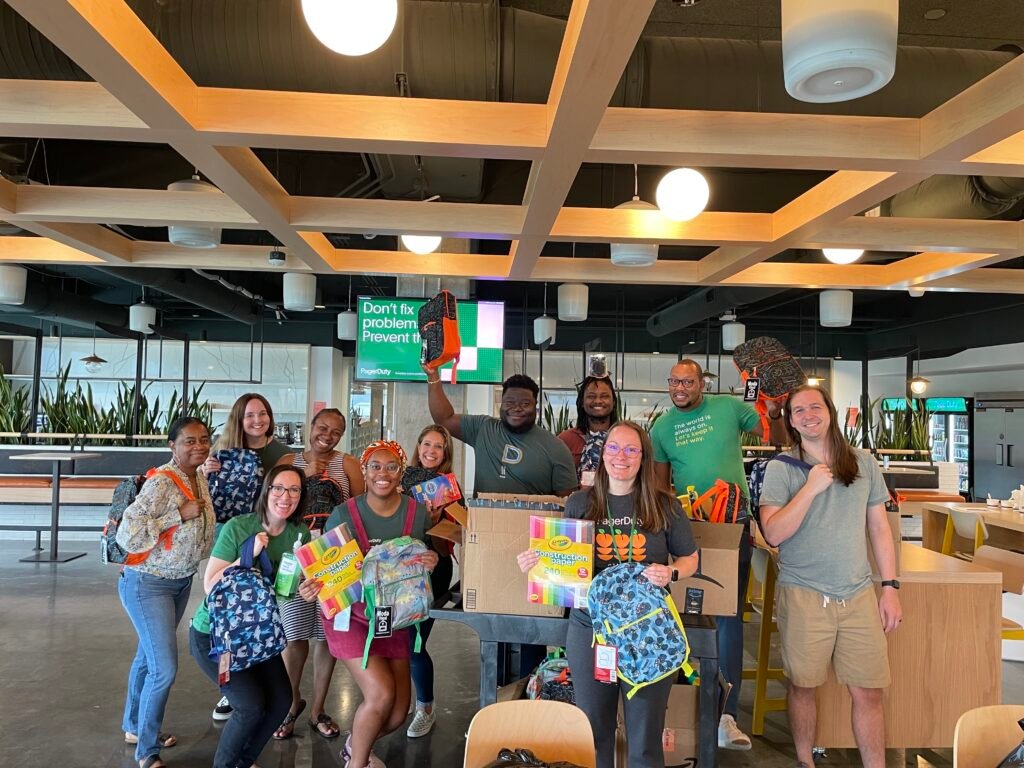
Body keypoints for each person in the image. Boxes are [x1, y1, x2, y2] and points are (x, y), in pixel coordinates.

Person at [517, 421, 699, 768]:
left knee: (645, 739)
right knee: (593, 731)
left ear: (643, 458)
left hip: (649, 634)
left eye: (632, 449)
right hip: (592, 631)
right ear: (602, 455)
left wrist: (672, 571)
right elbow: (564, 563)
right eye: (614, 447)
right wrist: (538, 563)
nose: (622, 456)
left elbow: (690, 557)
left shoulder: (665, 506)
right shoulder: (580, 503)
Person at [758, 386, 902, 768]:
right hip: (803, 595)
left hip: (857, 594)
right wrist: (810, 489)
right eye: (798, 411)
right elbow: (773, 533)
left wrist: (889, 588)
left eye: (814, 407)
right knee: (803, 686)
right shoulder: (781, 468)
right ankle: (806, 762)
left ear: (830, 411)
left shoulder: (864, 463)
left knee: (869, 692)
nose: (807, 415)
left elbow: (879, 529)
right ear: (790, 421)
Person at [649, 358, 787, 750]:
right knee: (677, 614)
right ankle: (679, 705)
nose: (680, 388)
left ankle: (727, 716)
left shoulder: (729, 407)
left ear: (701, 384)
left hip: (731, 526)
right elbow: (660, 487)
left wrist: (774, 410)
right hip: (685, 529)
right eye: (674, 381)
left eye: (688, 381)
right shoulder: (661, 428)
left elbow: (772, 436)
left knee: (728, 616)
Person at [303, 440, 438, 768]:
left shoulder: (416, 513)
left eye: (391, 467)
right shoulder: (343, 514)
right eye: (375, 466)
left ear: (401, 473)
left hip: (393, 617)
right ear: (363, 471)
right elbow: (324, 568)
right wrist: (311, 587)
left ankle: (354, 744)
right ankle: (357, 763)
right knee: (379, 696)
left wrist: (429, 560)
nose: (383, 473)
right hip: (350, 615)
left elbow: (422, 559)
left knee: (396, 714)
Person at [188, 465, 311, 768]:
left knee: (282, 701)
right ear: (266, 490)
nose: (286, 496)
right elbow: (210, 584)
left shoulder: (300, 534)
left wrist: (307, 589)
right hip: (217, 636)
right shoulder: (239, 527)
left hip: (259, 636)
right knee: (249, 706)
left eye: (294, 490)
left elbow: (283, 591)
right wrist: (248, 554)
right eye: (279, 488)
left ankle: (242, 762)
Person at [116, 417, 216, 768]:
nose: (199, 446)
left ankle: (133, 725)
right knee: (164, 668)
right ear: (171, 445)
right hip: (147, 583)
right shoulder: (161, 482)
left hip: (179, 581)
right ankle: (147, 749)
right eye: (189, 441)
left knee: (148, 658)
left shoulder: (199, 476)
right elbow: (127, 535)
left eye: (204, 439)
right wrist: (177, 514)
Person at [273, 407, 364, 740]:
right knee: (293, 634)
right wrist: (307, 475)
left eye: (336, 431)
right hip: (293, 554)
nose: (328, 435)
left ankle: (317, 710)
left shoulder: (348, 464)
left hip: (334, 557)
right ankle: (290, 703)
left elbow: (357, 508)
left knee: (328, 637)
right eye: (322, 427)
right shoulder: (288, 461)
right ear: (310, 427)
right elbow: (274, 506)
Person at [201, 392, 293, 721]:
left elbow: (287, 493)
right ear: (239, 419)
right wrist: (206, 470)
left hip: (265, 535)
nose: (257, 420)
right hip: (231, 533)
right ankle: (230, 688)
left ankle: (255, 678)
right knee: (226, 614)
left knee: (258, 614)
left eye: (263, 414)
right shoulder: (221, 451)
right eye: (250, 415)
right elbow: (206, 495)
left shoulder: (282, 453)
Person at [424, 369, 577, 496]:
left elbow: (565, 505)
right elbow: (443, 419)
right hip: (482, 527)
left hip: (531, 530)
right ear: (501, 404)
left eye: (525, 403)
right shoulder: (483, 428)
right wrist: (433, 376)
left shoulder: (556, 448)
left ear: (535, 406)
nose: (517, 408)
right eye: (510, 402)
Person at [400, 424, 457, 738]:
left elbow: (453, 538)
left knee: (415, 642)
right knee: (397, 642)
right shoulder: (400, 478)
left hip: (434, 567)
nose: (431, 452)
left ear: (446, 453)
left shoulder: (448, 486)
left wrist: (436, 521)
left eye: (438, 447)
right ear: (418, 446)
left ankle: (426, 707)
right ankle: (403, 702)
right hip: (398, 568)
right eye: (426, 444)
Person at [558, 375, 618, 485]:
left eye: (604, 396)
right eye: (591, 396)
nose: (598, 401)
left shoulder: (624, 438)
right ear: (581, 402)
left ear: (614, 402)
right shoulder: (565, 440)